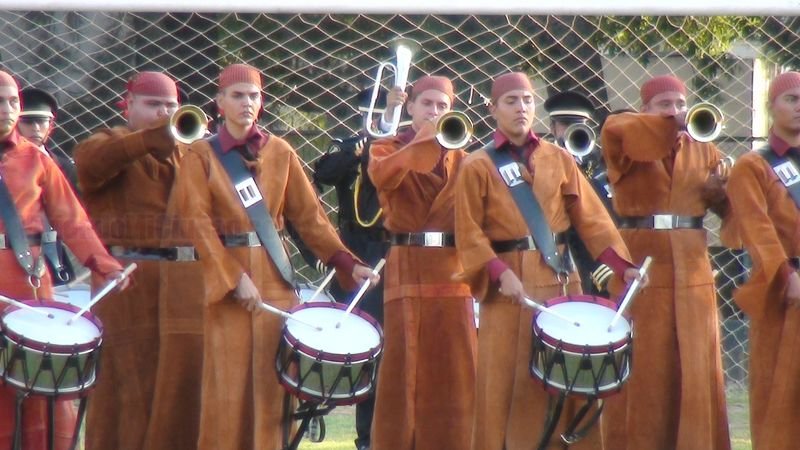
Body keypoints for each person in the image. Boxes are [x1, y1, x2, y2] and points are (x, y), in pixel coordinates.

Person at [169, 63, 377, 450]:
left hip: (276, 283)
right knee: (226, 390)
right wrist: (232, 279)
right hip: (228, 288)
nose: (246, 103)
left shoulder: (280, 151)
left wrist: (348, 264)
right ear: (219, 102)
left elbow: (311, 219)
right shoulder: (199, 154)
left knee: (272, 392)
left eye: (253, 96)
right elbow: (196, 224)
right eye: (237, 95)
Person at [74, 71, 205, 450]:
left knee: (181, 389)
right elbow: (93, 164)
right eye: (153, 105)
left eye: (171, 106)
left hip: (184, 283)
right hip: (126, 284)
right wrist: (154, 138)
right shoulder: (106, 143)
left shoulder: (193, 152)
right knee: (124, 388)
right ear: (128, 105)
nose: (164, 113)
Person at [599, 74, 731, 450]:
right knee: (646, 370)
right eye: (663, 106)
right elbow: (613, 127)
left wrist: (722, 195)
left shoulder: (705, 148)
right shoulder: (626, 143)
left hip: (693, 270)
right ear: (645, 110)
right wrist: (660, 128)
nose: (675, 113)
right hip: (641, 268)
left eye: (679, 105)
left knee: (694, 367)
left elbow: (732, 215)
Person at [0, 68, 126, 450]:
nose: (8, 109)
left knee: (37, 392)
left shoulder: (36, 159)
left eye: (13, 102)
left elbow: (72, 220)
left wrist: (104, 263)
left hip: (28, 285)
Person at [366, 74, 477, 450]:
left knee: (457, 368)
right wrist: (426, 140)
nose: (434, 112)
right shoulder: (386, 148)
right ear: (409, 106)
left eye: (443, 107)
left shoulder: (466, 158)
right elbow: (383, 177)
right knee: (404, 366)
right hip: (407, 265)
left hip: (454, 270)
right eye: (427, 104)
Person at [313, 86, 390, 450]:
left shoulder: (402, 147)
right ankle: (364, 437)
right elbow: (323, 173)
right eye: (370, 112)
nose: (376, 118)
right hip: (356, 252)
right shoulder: (350, 145)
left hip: (393, 249)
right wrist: (359, 149)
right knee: (364, 347)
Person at [726, 71, 800, 450]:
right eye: (791, 99)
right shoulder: (753, 166)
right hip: (782, 289)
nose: (799, 106)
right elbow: (757, 229)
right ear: (772, 106)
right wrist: (786, 272)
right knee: (778, 393)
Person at [544, 90, 616, 296]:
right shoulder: (543, 161)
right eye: (565, 124)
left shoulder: (604, 162)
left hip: (603, 258)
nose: (571, 131)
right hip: (561, 258)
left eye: (579, 124)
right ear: (552, 128)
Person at [17, 87, 78, 189]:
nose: (35, 128)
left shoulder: (67, 169)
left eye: (41, 121)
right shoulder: (3, 166)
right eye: (27, 121)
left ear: (51, 125)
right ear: (14, 124)